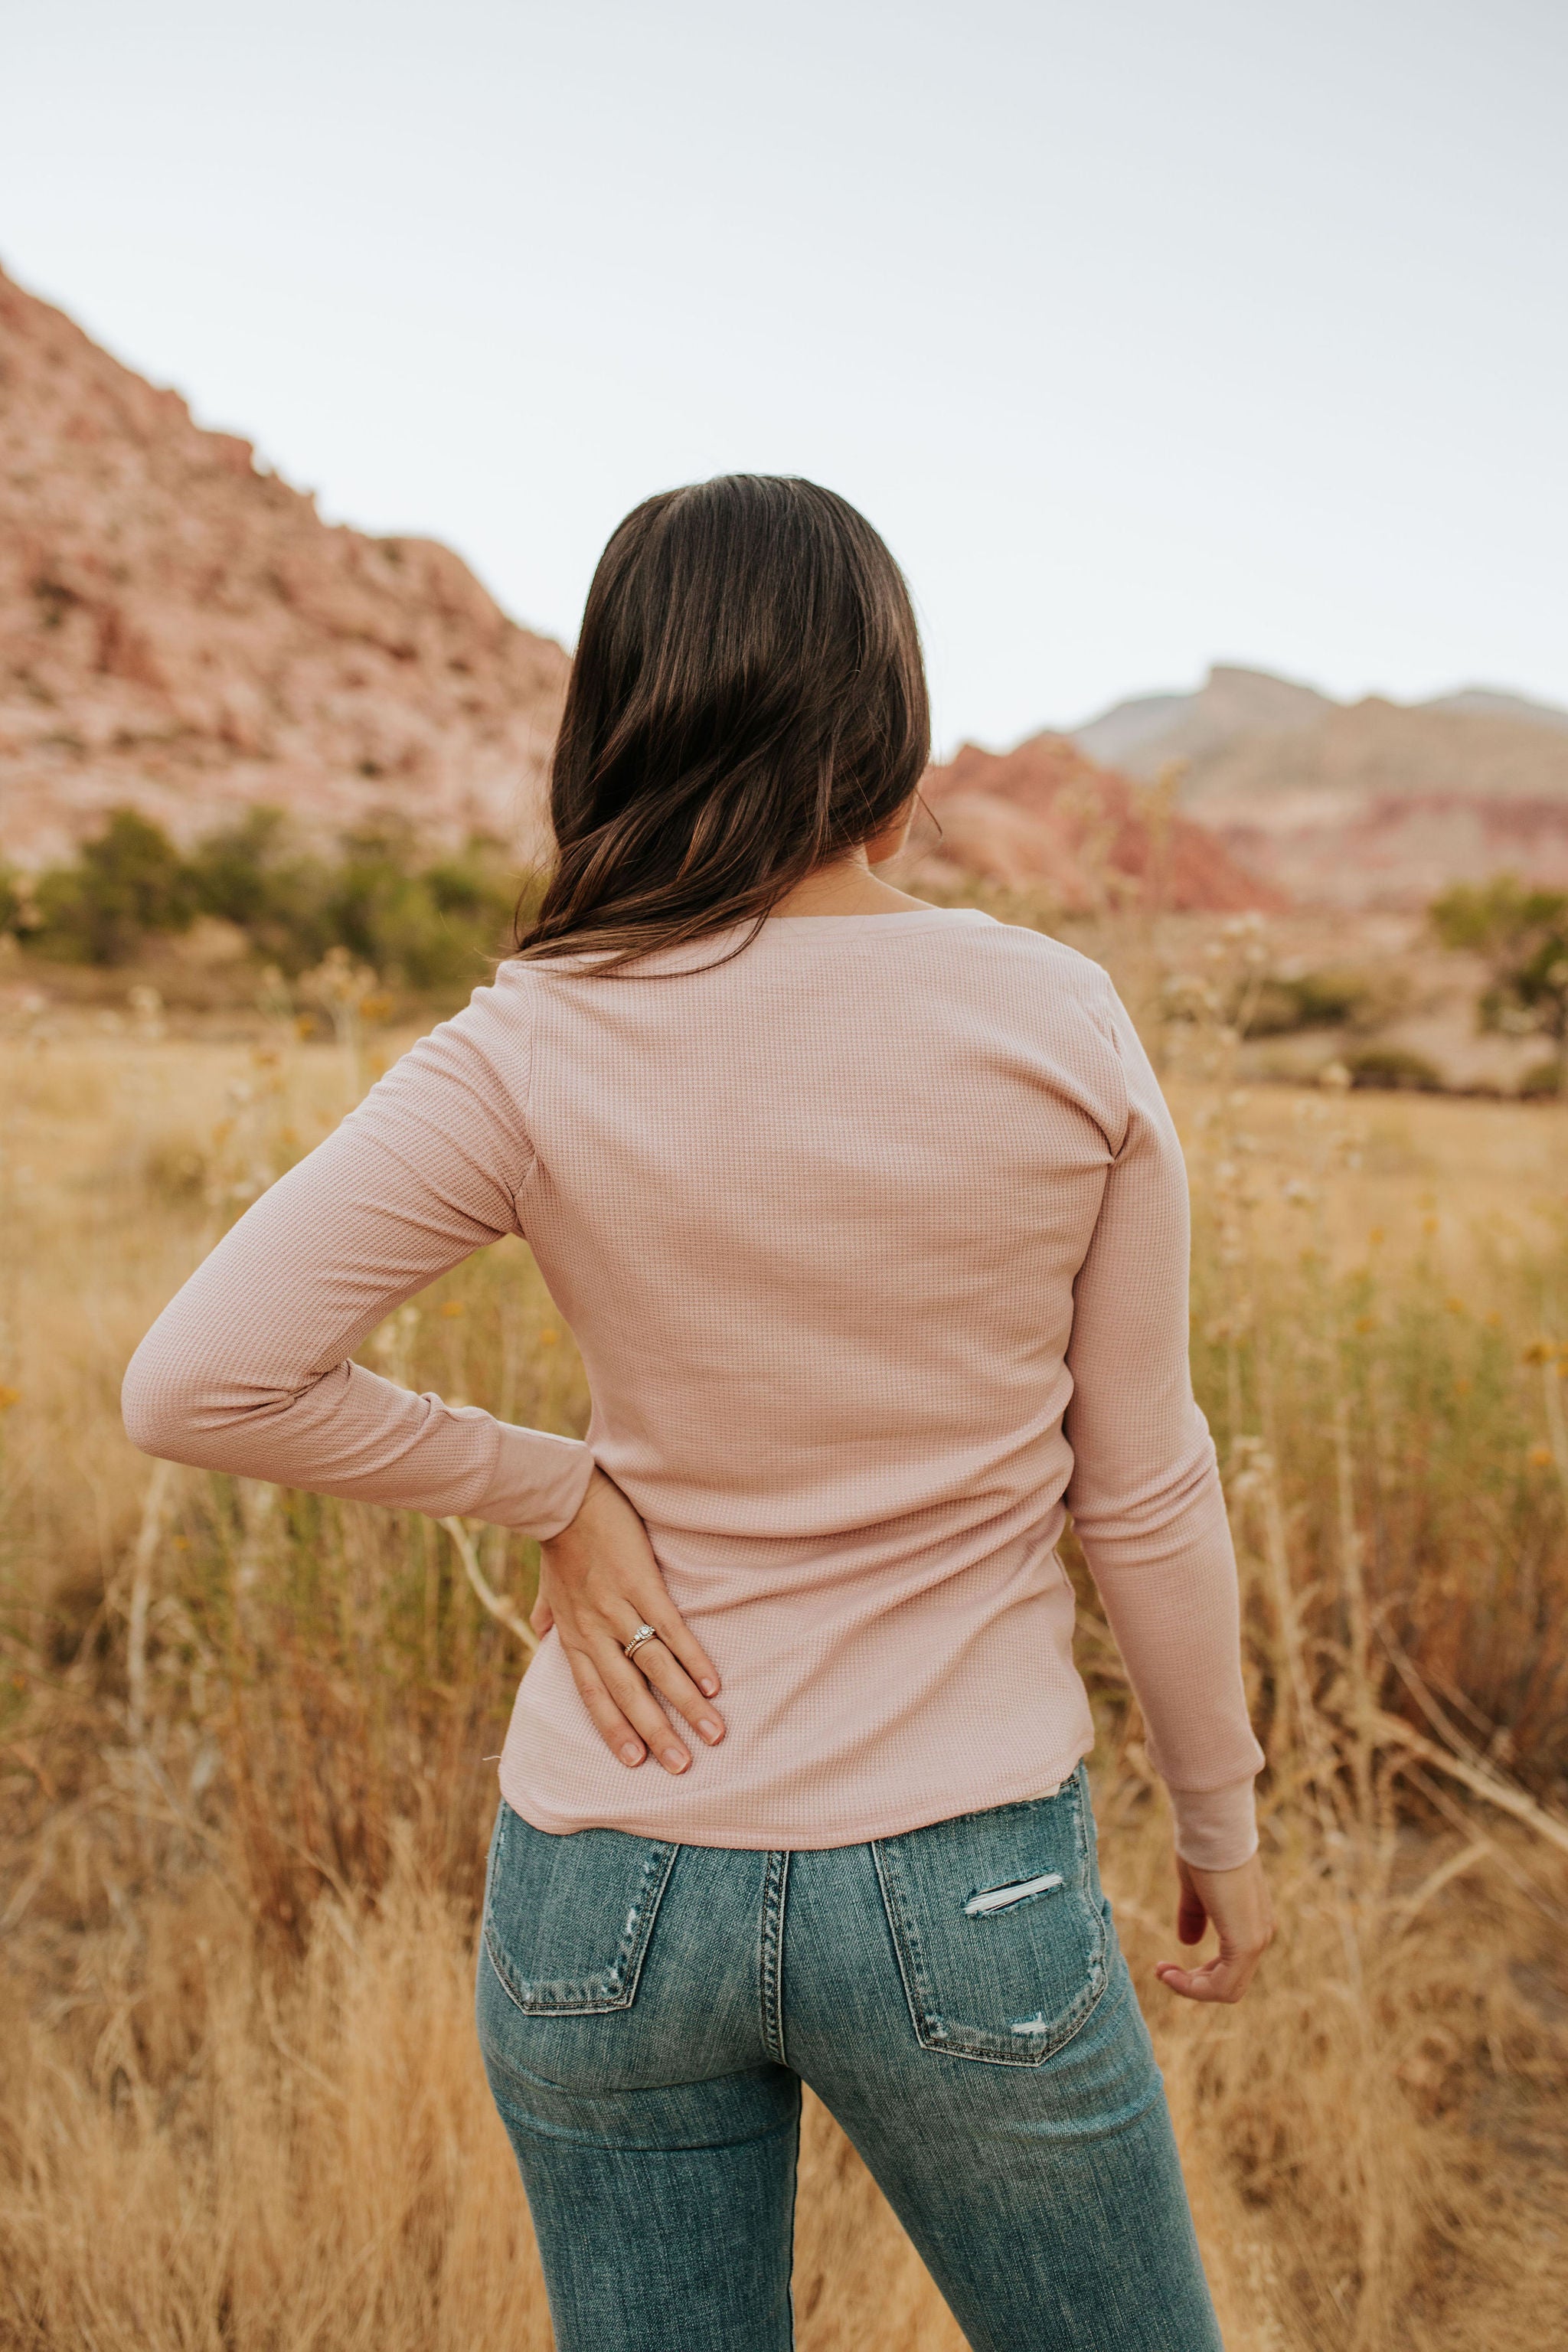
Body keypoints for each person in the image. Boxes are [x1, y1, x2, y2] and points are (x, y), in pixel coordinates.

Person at [122, 474, 1272, 2352]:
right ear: (886, 730)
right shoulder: (1052, 1018)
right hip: (963, 1874)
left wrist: (554, 1489)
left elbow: (197, 1380)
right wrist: (1215, 1818)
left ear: (618, 726)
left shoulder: (531, 1036)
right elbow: (1140, 1484)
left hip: (605, 1884)